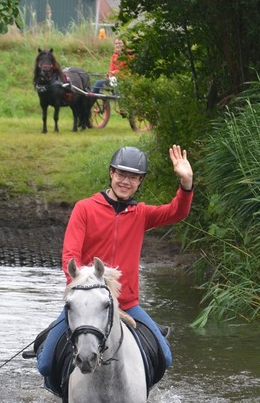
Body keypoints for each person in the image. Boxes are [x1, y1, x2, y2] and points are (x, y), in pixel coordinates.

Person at [37, 144, 194, 382]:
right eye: (121, 174)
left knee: (166, 356)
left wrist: (186, 183)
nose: (125, 181)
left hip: (126, 304)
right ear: (111, 173)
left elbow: (177, 212)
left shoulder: (141, 214)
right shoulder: (85, 209)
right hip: (87, 305)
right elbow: (70, 256)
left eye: (133, 177)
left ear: (140, 181)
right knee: (46, 364)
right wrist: (82, 292)